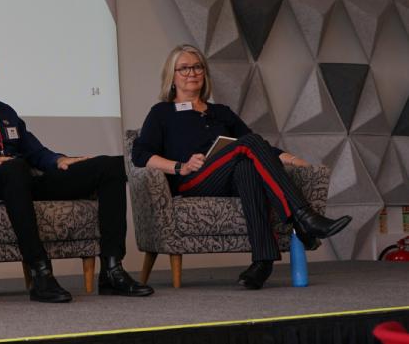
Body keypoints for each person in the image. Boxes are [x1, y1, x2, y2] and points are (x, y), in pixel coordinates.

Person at [0, 31, 153, 302]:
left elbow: (34, 151)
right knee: (14, 168)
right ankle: (40, 274)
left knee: (110, 166)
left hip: (23, 180)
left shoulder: (5, 111)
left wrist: (58, 160)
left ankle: (112, 270)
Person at [131, 44, 352, 289]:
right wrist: (180, 167)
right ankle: (303, 217)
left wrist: (291, 159)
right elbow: (139, 154)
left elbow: (257, 146)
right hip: (193, 180)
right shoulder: (162, 112)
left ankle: (262, 261)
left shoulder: (221, 112)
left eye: (197, 67)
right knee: (248, 145)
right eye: (184, 68)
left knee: (247, 168)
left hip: (228, 177)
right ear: (172, 76)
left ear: (204, 73)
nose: (192, 73)